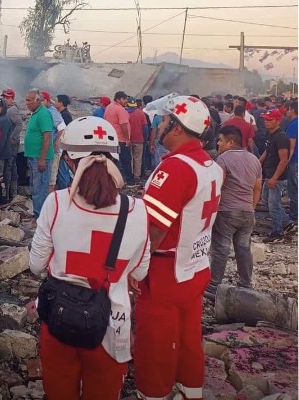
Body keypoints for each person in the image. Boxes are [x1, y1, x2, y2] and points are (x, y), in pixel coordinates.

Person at [29, 116, 150, 400]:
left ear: (70, 161)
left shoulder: (56, 203)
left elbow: (36, 265)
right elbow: (141, 273)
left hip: (58, 319)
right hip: (112, 325)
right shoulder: (138, 210)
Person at [135, 94, 224, 400]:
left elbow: (155, 228)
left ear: (176, 127)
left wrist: (137, 269)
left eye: (164, 120)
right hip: (195, 264)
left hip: (164, 270)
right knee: (188, 337)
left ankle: (153, 393)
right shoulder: (210, 165)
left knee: (154, 343)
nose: (159, 124)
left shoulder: (174, 169)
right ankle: (191, 390)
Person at [205, 126, 262, 298]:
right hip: (247, 212)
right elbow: (257, 188)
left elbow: (217, 186)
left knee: (220, 250)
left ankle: (213, 287)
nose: (218, 144)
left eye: (221, 140)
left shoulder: (223, 159)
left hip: (227, 211)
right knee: (243, 249)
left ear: (231, 142)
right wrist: (251, 207)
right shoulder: (254, 160)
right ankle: (245, 284)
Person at [259, 109, 291, 243]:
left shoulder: (281, 137)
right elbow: (268, 150)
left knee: (273, 204)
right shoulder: (270, 134)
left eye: (270, 120)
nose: (267, 122)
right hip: (269, 174)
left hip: (277, 177)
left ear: (278, 121)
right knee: (267, 201)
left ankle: (277, 233)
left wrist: (274, 178)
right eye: (266, 119)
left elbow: (284, 159)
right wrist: (258, 162)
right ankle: (287, 222)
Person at [24, 89, 54, 220]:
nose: (27, 103)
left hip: (41, 159)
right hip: (34, 157)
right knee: (35, 187)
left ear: (37, 100)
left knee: (40, 189)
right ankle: (38, 214)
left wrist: (42, 159)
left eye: (29, 100)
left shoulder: (43, 114)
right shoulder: (35, 114)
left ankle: (40, 218)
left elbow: (47, 137)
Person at [0, 98, 16, 204]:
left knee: (2, 178)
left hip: (3, 156)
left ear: (4, 108)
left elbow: (1, 140)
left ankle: (4, 199)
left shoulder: (4, 120)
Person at [104, 91, 132, 184]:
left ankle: (113, 181)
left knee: (114, 160)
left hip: (111, 139)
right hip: (121, 140)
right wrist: (127, 139)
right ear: (118, 99)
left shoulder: (108, 107)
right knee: (126, 160)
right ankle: (129, 181)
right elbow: (123, 125)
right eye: (124, 99)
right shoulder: (120, 109)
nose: (126, 101)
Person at [41, 91, 66, 193]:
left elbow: (62, 128)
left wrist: (56, 142)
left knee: (51, 177)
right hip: (47, 150)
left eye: (42, 100)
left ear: (47, 101)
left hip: (54, 150)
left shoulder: (52, 112)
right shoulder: (43, 112)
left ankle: (51, 200)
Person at [2, 88, 24, 200]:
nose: (5, 99)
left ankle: (8, 194)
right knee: (12, 167)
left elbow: (19, 125)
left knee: (8, 168)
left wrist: (12, 137)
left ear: (12, 98)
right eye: (4, 97)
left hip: (11, 144)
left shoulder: (11, 110)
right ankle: (13, 193)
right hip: (11, 143)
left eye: (7, 97)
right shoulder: (9, 109)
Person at [126, 96, 148, 185]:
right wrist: (145, 138)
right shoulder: (140, 113)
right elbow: (145, 128)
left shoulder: (124, 113)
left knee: (129, 158)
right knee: (137, 159)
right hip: (139, 139)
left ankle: (130, 175)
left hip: (128, 140)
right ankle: (137, 176)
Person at [285, 101, 298, 232]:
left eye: (287, 109)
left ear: (291, 110)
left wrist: (285, 162)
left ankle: (294, 216)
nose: (286, 112)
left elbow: (291, 147)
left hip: (294, 161)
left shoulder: (294, 125)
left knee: (293, 189)